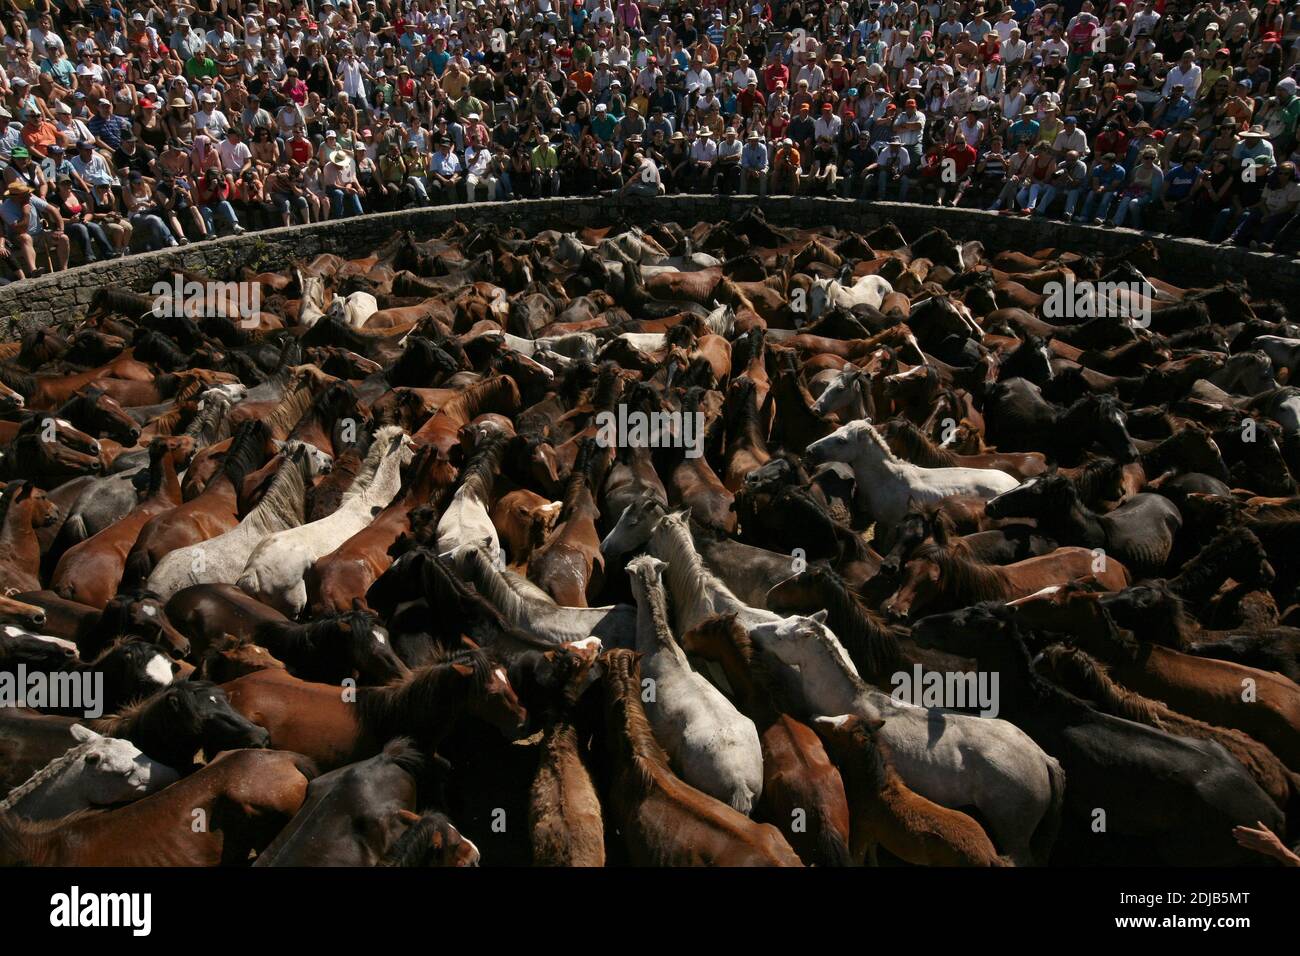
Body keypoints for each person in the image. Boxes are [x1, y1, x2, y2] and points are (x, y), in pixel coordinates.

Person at [0, 182, 69, 276]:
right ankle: (34, 270)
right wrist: (26, 213)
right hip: (19, 238)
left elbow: (53, 210)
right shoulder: (5, 208)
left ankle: (64, 270)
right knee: (25, 237)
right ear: (17, 197)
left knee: (63, 238)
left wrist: (60, 229)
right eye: (26, 194)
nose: (29, 195)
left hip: (40, 233)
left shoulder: (31, 197)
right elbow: (21, 230)